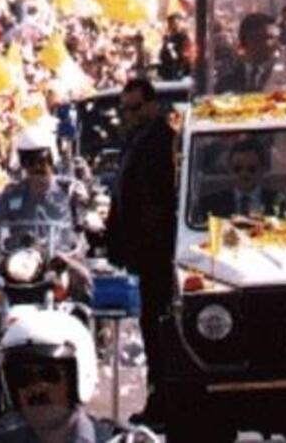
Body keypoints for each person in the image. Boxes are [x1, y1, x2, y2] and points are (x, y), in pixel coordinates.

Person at [103, 77, 176, 426]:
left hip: (157, 254)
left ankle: (163, 400)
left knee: (158, 328)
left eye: (135, 108)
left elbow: (153, 202)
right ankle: (159, 397)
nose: (129, 115)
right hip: (145, 255)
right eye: (124, 109)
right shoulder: (136, 140)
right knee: (151, 325)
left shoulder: (159, 139)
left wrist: (144, 246)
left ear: (151, 105)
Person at [0, 309, 145, 443]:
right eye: (23, 377)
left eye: (50, 375)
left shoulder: (119, 440)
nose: (37, 387)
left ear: (81, 376)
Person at [0, 126, 82, 226]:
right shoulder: (13, 192)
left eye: (42, 161)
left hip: (63, 241)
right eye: (29, 162)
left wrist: (90, 216)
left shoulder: (69, 188)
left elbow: (89, 208)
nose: (36, 167)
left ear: (51, 160)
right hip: (23, 241)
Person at [199, 138, 286, 221]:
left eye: (251, 169)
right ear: (230, 169)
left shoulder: (277, 201)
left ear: (262, 169)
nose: (244, 174)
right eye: (237, 169)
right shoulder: (212, 203)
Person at [214, 12, 280, 93]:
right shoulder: (228, 74)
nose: (269, 44)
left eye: (274, 38)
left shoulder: (283, 74)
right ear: (247, 39)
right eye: (263, 38)